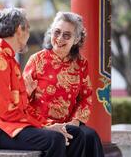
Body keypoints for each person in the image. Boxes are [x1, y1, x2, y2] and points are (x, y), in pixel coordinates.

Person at [0, 8, 85, 157]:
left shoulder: (9, 59)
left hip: (10, 124)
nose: (28, 35)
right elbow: (7, 112)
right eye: (28, 29)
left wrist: (48, 124)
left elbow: (22, 107)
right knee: (55, 139)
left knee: (75, 133)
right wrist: (45, 127)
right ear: (19, 30)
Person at [23, 11, 104, 157]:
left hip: (70, 123)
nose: (60, 38)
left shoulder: (81, 63)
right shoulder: (36, 60)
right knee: (74, 136)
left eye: (67, 35)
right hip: (42, 124)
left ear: (76, 39)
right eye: (57, 32)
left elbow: (86, 97)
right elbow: (22, 100)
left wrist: (76, 121)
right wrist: (27, 92)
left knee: (90, 136)